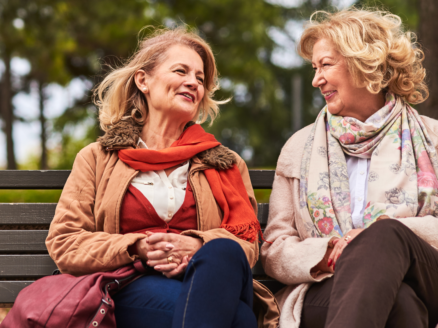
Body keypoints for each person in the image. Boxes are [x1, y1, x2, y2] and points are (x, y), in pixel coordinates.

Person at [46, 27, 278, 328]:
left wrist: (196, 245)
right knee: (239, 319)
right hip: (132, 282)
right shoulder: (98, 158)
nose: (193, 83)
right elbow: (66, 242)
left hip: (214, 279)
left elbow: (246, 244)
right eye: (181, 71)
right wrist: (137, 247)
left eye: (200, 78)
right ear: (143, 80)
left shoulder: (225, 163)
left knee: (223, 250)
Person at [261, 8, 438, 328]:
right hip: (328, 287)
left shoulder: (433, 139)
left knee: (384, 236)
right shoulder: (299, 148)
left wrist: (382, 235)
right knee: (401, 305)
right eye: (314, 68)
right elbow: (275, 249)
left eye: (326, 65)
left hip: (428, 280)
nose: (316, 79)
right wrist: (328, 252)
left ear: (364, 62)